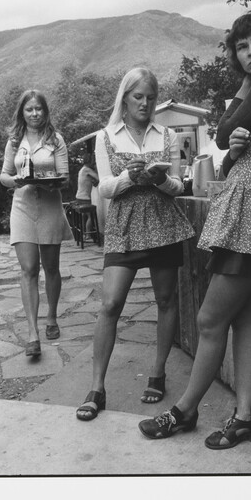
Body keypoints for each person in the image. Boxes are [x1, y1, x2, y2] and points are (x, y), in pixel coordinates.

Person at [139, 9, 251, 448]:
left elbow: (226, 128)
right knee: (244, 319)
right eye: (242, 48)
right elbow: (231, 155)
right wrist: (235, 143)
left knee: (210, 319)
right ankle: (247, 414)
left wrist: (240, 105)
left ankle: (184, 410)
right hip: (248, 205)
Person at [76, 67, 195, 421]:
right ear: (124, 99)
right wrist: (130, 176)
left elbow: (178, 186)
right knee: (110, 303)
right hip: (125, 225)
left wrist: (160, 181)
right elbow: (106, 188)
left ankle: (157, 372)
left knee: (165, 299)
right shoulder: (106, 136)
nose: (144, 104)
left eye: (150, 98)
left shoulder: (168, 135)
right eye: (137, 97)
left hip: (162, 222)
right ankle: (97, 387)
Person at [0, 90, 73, 359]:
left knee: (50, 268)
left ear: (45, 111)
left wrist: (51, 180)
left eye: (39, 109)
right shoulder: (14, 141)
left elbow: (65, 178)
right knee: (28, 268)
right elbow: (4, 176)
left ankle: (52, 317)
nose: (34, 114)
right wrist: (17, 180)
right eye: (29, 109)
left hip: (50, 205)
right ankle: (32, 333)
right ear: (22, 112)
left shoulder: (56, 140)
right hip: (22, 206)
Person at [72, 150, 100, 244]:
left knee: (84, 215)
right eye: (93, 160)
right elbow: (98, 177)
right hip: (85, 198)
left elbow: (91, 181)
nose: (94, 162)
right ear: (90, 161)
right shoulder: (87, 170)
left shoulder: (83, 170)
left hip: (79, 196)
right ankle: (88, 235)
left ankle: (84, 234)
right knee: (91, 216)